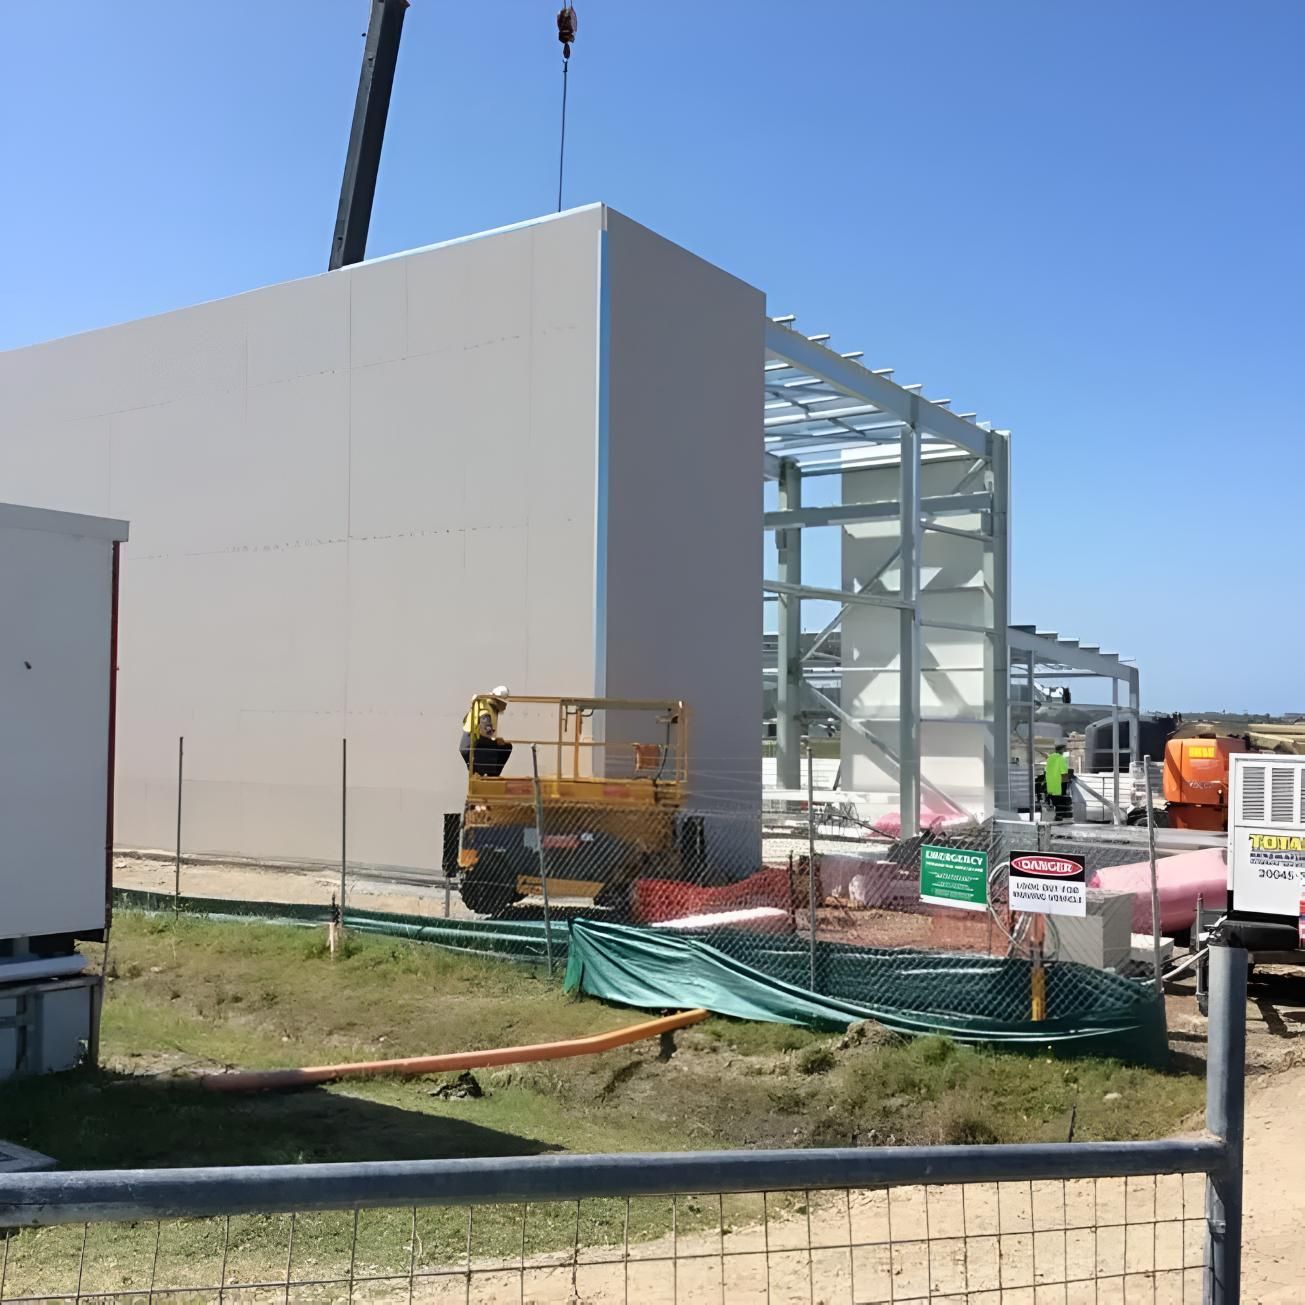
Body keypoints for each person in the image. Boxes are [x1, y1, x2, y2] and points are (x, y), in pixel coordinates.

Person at [460, 686, 513, 777]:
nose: (505, 706)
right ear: (499, 701)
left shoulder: (489, 706)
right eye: (504, 703)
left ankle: (489, 773)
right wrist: (496, 739)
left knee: (503, 746)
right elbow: (486, 727)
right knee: (506, 747)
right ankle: (491, 774)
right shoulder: (486, 708)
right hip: (473, 741)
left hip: (475, 739)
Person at [1044, 742, 1072, 821]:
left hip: (1051, 783)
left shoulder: (1050, 758)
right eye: (1064, 750)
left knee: (1054, 800)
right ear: (1061, 750)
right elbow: (1064, 773)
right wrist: (1067, 782)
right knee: (1061, 800)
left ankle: (1056, 815)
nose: (1065, 751)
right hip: (1059, 783)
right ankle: (1059, 815)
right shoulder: (1061, 758)